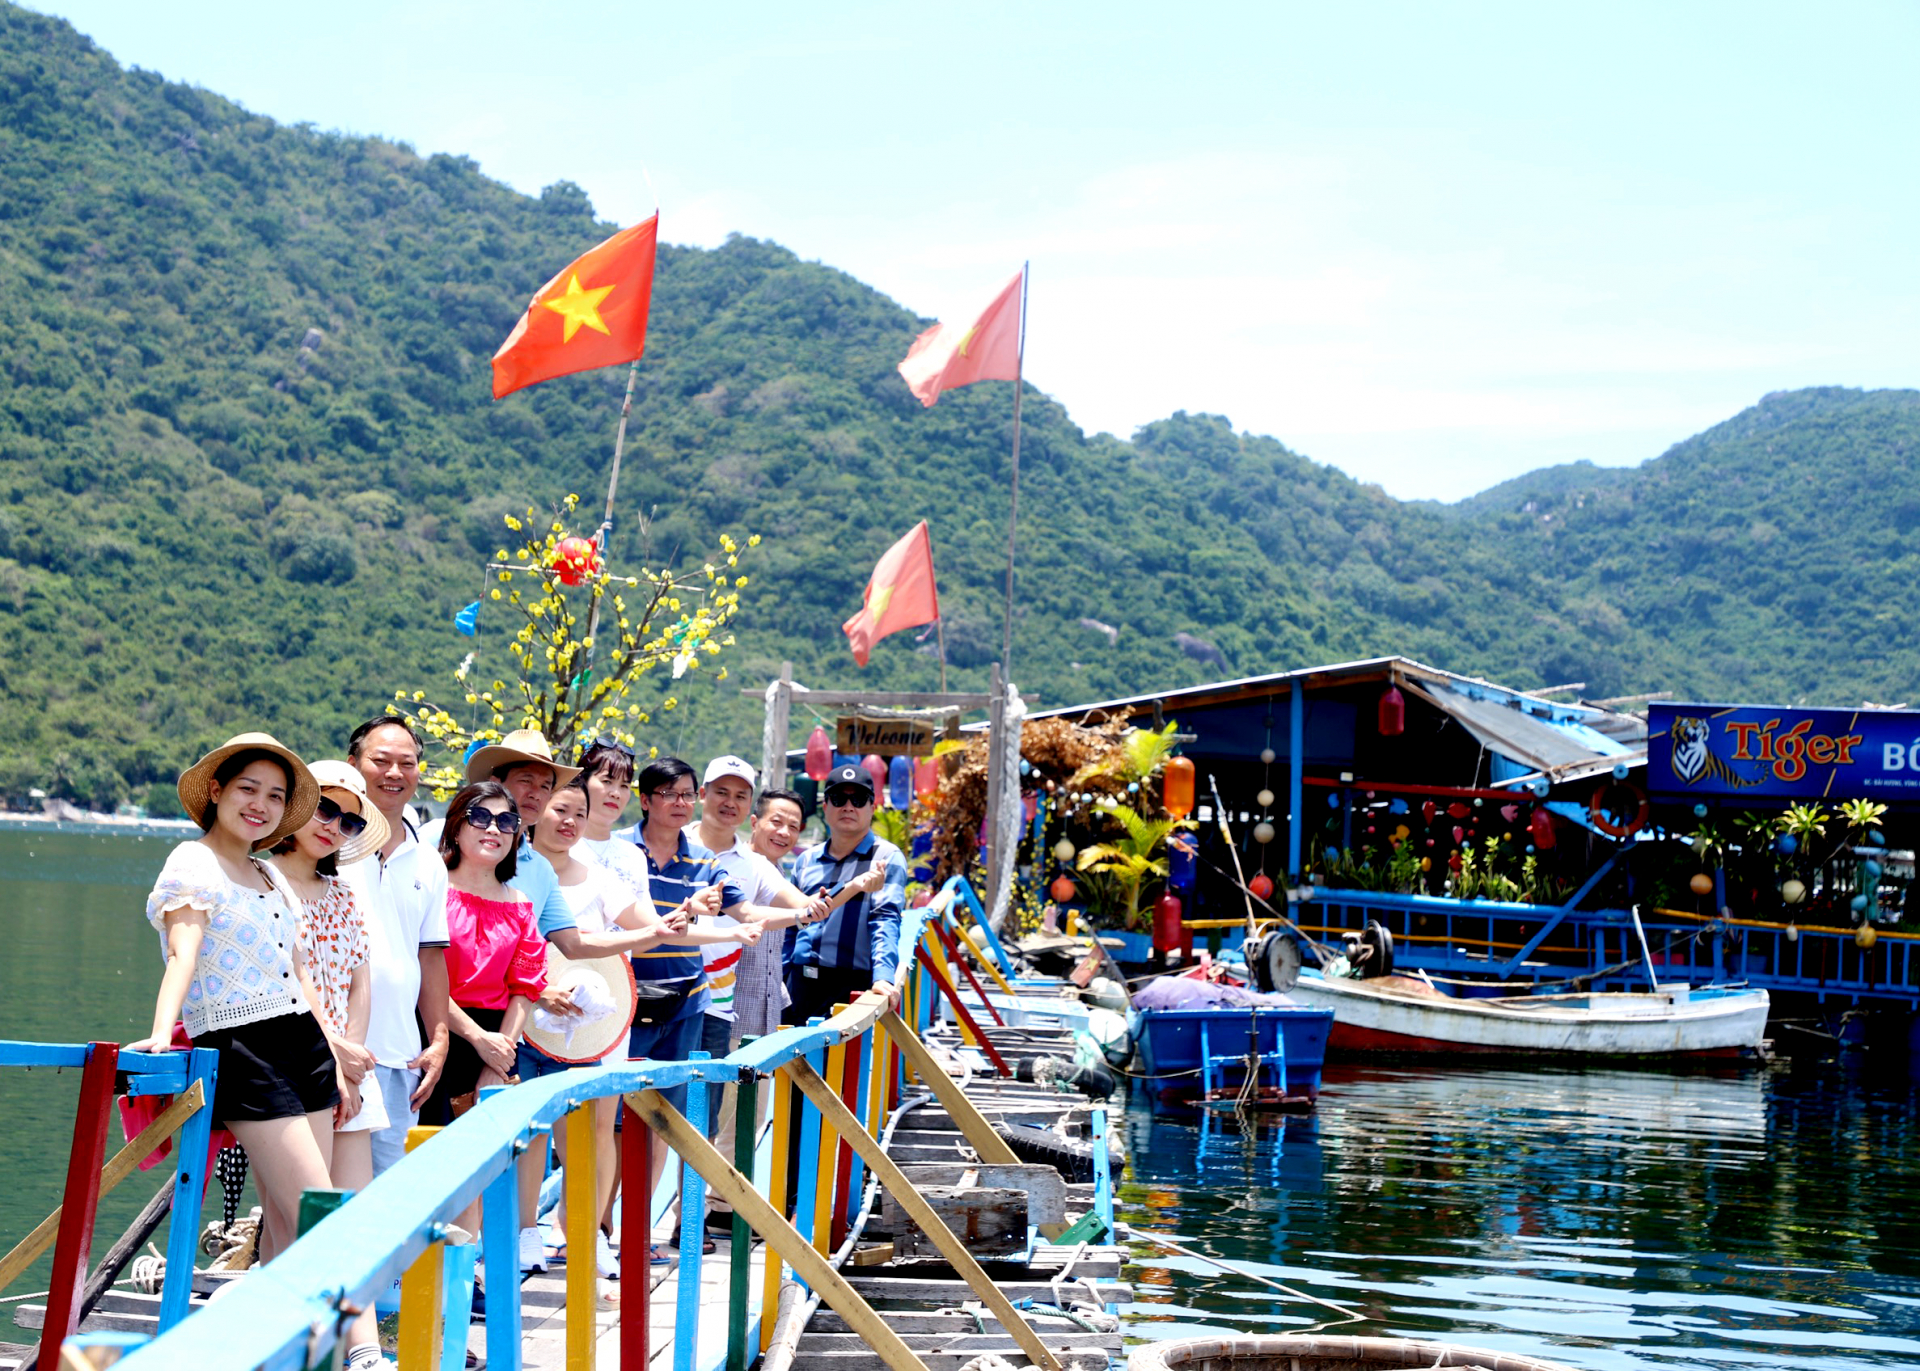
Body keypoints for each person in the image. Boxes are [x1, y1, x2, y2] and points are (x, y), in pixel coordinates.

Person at [130, 733, 338, 1266]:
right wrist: (161, 1033)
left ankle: (288, 1349)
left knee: (289, 1226)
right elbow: (184, 955)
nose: (261, 805)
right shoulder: (191, 863)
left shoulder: (269, 872)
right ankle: (356, 1353)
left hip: (306, 1044)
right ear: (217, 791)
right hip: (243, 1047)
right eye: (249, 789)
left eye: (275, 796)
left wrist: (333, 1054)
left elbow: (296, 970)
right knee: (324, 1218)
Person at [525, 778, 711, 1277]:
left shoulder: (599, 875)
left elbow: (650, 928)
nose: (568, 821)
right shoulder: (516, 869)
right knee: (531, 1132)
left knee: (597, 1128)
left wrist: (701, 922)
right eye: (560, 809)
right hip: (523, 1018)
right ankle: (523, 1237)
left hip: (594, 1020)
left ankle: (587, 1233)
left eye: (577, 815)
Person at [267, 759, 390, 1371]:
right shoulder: (266, 879)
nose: (333, 826)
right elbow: (293, 975)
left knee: (345, 1212)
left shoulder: (342, 891)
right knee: (302, 1216)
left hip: (348, 1067)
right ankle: (354, 1349)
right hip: (296, 1061)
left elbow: (359, 980)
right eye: (325, 809)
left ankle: (303, 1346)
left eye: (347, 819)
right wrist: (335, 1052)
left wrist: (356, 1059)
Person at [427, 781, 547, 1249]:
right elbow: (426, 976)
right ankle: (410, 1282)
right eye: (480, 817)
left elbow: (526, 986)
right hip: (434, 1032)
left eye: (506, 822)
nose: (493, 829)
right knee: (424, 1155)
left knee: (475, 1163)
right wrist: (477, 1038)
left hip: (497, 1043)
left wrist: (498, 1055)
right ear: (456, 825)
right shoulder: (432, 887)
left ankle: (462, 1274)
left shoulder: (519, 905)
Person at [342, 716, 451, 1179]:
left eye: (407, 763)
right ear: (353, 764)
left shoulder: (428, 859)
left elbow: (430, 955)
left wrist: (439, 1037)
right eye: (380, 760)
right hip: (338, 1051)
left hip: (401, 1059)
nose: (394, 773)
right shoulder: (326, 842)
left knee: (388, 1196)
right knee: (327, 1196)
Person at [786, 764, 909, 1027]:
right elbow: (789, 926)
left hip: (852, 984)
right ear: (826, 806)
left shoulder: (886, 858)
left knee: (841, 1065)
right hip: (799, 982)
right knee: (789, 1065)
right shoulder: (806, 860)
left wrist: (883, 978)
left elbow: (885, 920)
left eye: (859, 799)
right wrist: (779, 976)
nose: (848, 806)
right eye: (839, 799)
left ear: (872, 808)